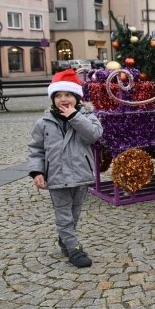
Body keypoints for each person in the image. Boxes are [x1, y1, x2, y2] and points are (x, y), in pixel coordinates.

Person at [28, 69, 103, 268]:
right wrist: (37, 172)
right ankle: (74, 250)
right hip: (57, 178)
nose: (63, 99)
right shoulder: (43, 123)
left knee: (75, 213)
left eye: (68, 94)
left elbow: (94, 135)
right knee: (63, 215)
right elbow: (36, 149)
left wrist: (75, 117)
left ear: (77, 98)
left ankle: (65, 240)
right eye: (58, 95)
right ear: (52, 99)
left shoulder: (87, 116)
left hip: (81, 175)